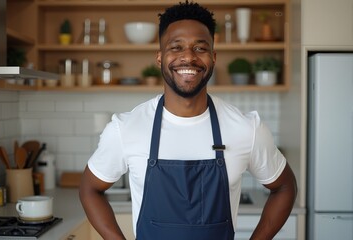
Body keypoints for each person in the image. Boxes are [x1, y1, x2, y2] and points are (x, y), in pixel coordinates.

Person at [79, 1, 297, 239]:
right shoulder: (126, 128)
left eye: (200, 48)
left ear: (213, 58)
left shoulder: (246, 128)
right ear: (160, 58)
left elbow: (285, 187)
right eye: (176, 47)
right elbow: (89, 189)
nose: (188, 57)